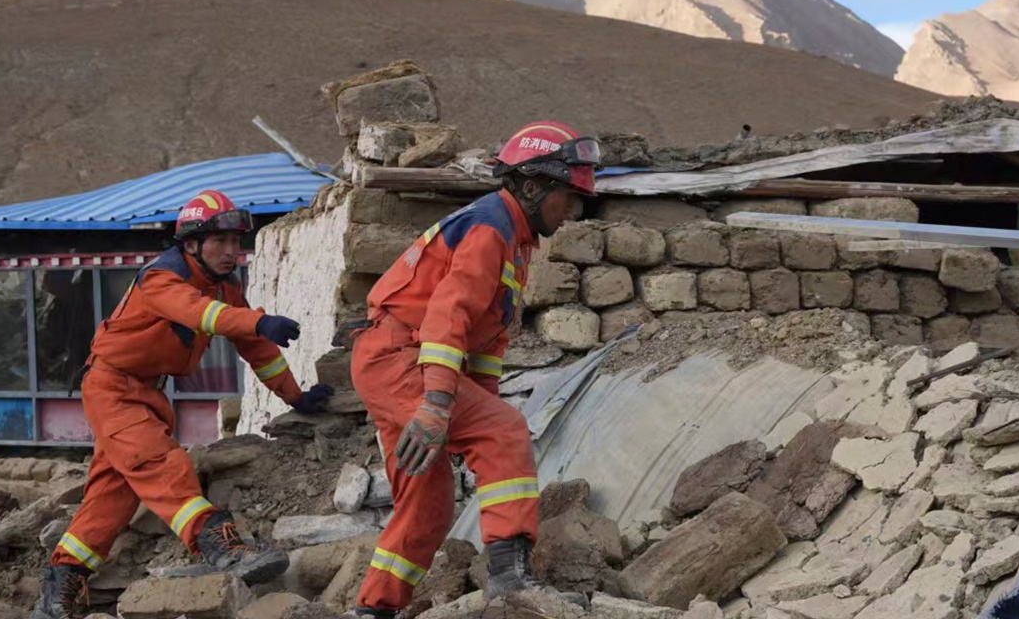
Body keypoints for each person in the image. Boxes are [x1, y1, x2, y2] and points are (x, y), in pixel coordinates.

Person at [33, 189, 334, 619]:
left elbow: (256, 347)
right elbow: (199, 314)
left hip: (146, 392)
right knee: (161, 463)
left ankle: (58, 591)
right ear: (191, 243)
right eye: (220, 242)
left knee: (112, 497)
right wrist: (257, 319)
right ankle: (219, 544)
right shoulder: (163, 279)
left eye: (237, 242)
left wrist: (295, 396)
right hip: (112, 388)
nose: (233, 252)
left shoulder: (223, 285)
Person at [348, 121, 599, 617]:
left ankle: (372, 610)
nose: (571, 210)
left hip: (395, 359)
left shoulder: (516, 238)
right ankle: (510, 581)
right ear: (531, 186)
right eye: (566, 196)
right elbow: (449, 315)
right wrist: (442, 403)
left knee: (430, 502)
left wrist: (475, 403)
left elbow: (487, 335)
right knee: (505, 432)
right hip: (402, 358)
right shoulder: (492, 228)